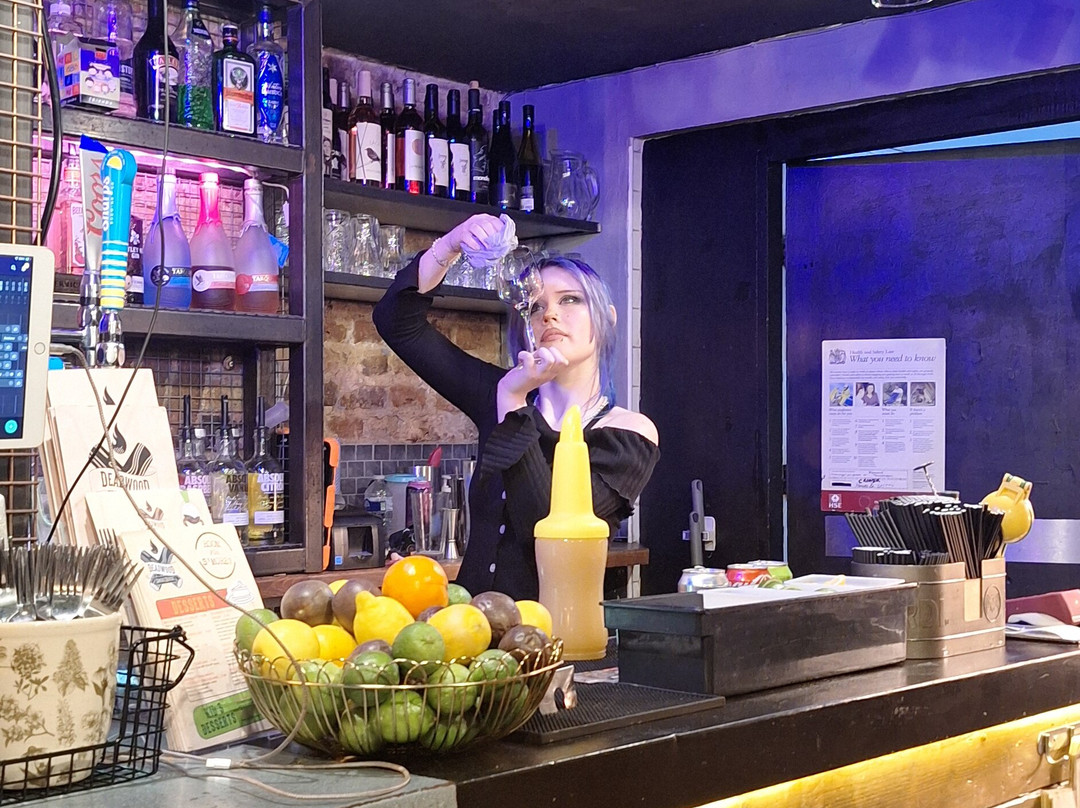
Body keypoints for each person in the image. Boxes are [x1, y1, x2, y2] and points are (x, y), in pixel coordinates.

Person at [373, 214, 660, 600]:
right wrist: (451, 244)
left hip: (551, 631)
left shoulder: (628, 432)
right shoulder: (497, 391)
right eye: (535, 305)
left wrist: (512, 402)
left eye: (570, 299)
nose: (550, 314)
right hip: (470, 627)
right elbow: (397, 322)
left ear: (606, 318)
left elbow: (545, 528)